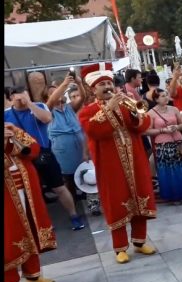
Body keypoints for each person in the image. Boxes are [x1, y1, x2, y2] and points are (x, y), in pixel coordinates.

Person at [78, 63, 157, 263]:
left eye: (109, 83)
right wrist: (109, 108)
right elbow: (94, 131)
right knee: (116, 202)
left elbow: (143, 126)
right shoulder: (87, 111)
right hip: (110, 165)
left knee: (140, 198)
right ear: (93, 89)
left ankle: (139, 241)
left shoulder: (126, 103)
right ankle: (120, 247)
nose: (107, 87)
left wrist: (135, 113)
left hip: (135, 158)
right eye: (102, 84)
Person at [5, 86, 85, 231]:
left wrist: (29, 103)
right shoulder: (6, 114)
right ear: (11, 98)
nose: (22, 98)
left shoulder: (39, 106)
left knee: (59, 187)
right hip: (22, 158)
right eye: (19, 96)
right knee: (32, 192)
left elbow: (47, 118)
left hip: (44, 153)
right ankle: (42, 224)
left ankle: (74, 216)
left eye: (25, 95)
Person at [4, 124, 57, 282]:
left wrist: (13, 139)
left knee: (31, 229)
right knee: (9, 236)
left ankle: (33, 275)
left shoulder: (10, 128)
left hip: (26, 190)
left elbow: (33, 149)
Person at [144, 89, 182, 204]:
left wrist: (177, 127)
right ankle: (174, 196)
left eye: (166, 95)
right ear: (156, 99)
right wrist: (162, 130)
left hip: (178, 141)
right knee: (169, 170)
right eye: (162, 96)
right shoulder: (151, 113)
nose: (166, 98)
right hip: (163, 144)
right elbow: (147, 131)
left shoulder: (174, 109)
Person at [45, 73, 90, 204]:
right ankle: (73, 201)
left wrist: (79, 83)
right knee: (68, 177)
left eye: (58, 91)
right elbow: (52, 101)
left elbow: (83, 97)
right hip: (63, 150)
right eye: (53, 92)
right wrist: (64, 84)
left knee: (85, 172)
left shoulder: (69, 107)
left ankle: (89, 199)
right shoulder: (47, 110)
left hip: (79, 146)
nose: (58, 93)